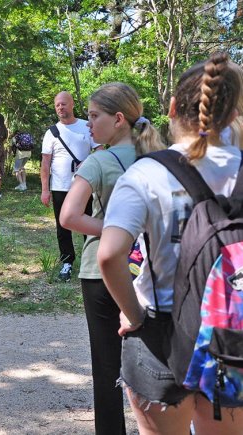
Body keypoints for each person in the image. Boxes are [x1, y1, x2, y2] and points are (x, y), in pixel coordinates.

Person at [97, 53, 243, 434]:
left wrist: (133, 315)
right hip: (231, 332)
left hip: (159, 334)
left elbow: (109, 254)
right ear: (233, 113)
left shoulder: (146, 173)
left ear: (173, 107)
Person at [59, 82, 165, 435]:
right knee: (156, 360)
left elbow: (69, 216)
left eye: (94, 116)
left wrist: (116, 228)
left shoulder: (99, 161)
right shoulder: (157, 158)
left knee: (106, 368)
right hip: (150, 270)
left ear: (118, 119)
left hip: (101, 273)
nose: (88, 124)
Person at [40, 91, 102, 281]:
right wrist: (45, 190)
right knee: (62, 225)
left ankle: (91, 261)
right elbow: (45, 163)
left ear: (72, 104)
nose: (60, 107)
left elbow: (100, 150)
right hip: (60, 187)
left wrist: (88, 162)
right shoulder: (51, 133)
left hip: (85, 186)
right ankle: (67, 262)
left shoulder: (86, 126)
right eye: (57, 105)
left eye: (64, 104)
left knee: (88, 223)